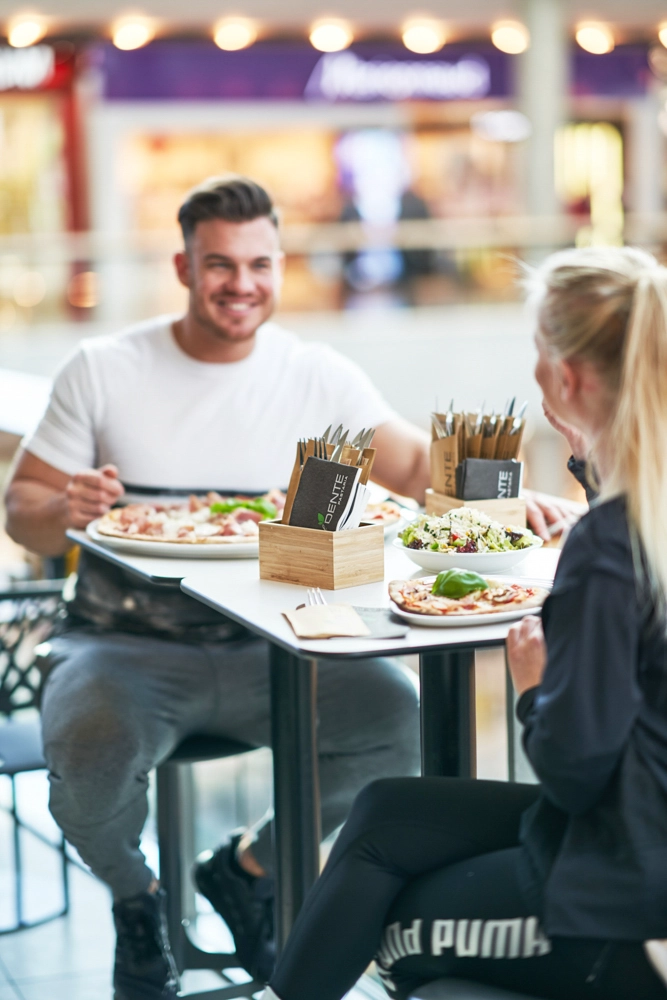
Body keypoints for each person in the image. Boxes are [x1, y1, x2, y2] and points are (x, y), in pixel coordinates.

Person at [4, 176, 426, 1000]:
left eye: (258, 264)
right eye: (219, 265)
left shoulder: (317, 373)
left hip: (278, 642)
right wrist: (67, 506)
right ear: (183, 266)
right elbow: (24, 513)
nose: (241, 284)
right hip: (122, 645)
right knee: (84, 765)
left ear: (278, 264)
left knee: (399, 722)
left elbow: (412, 462)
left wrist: (507, 488)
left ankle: (244, 869)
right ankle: (137, 901)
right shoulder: (103, 366)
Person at [257, 246, 667, 1000]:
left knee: (388, 928)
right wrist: (587, 447)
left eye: (538, 350)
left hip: (621, 901)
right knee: (386, 807)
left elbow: (573, 774)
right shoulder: (639, 515)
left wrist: (531, 689)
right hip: (632, 827)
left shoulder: (609, 548)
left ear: (568, 378)